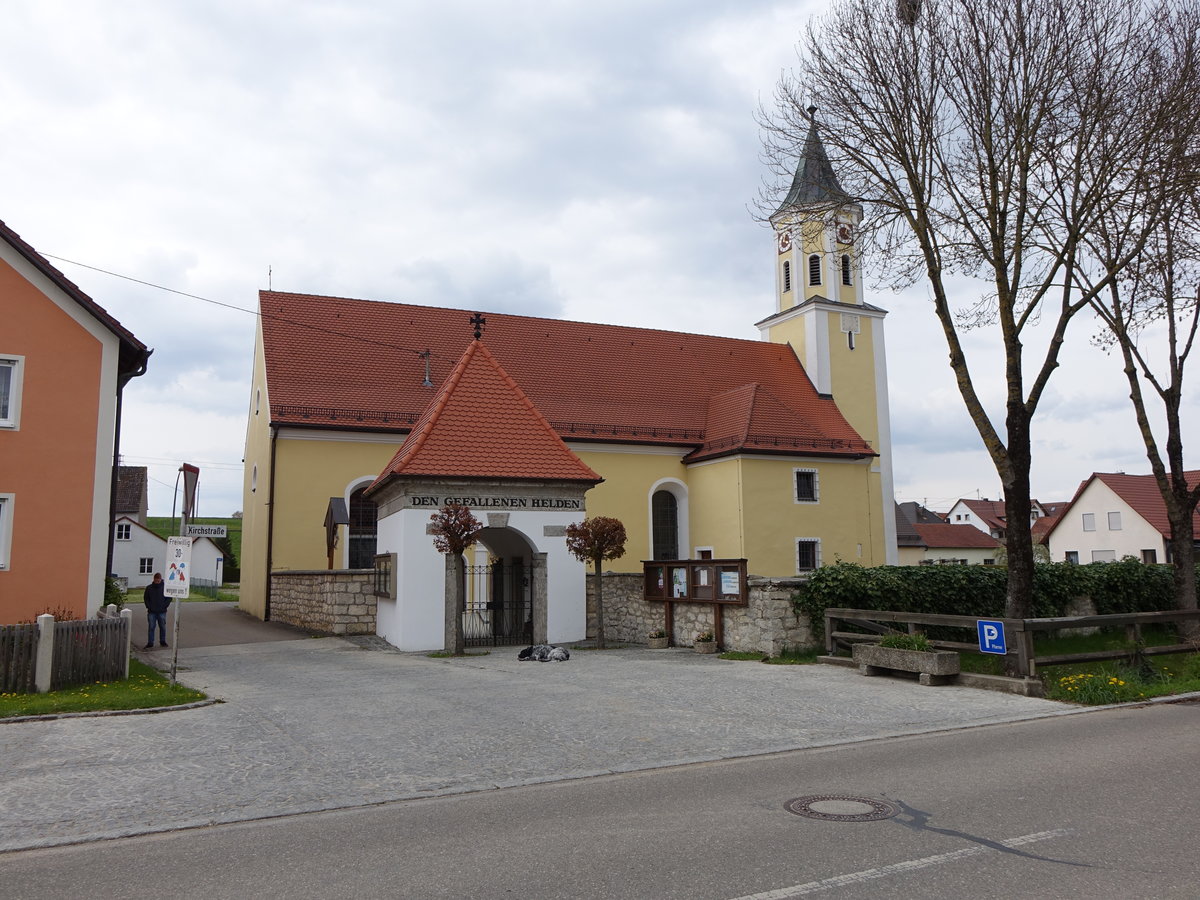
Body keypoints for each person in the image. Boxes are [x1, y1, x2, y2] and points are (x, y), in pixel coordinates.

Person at [143, 572, 171, 649]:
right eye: (156, 581)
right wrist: (149, 607)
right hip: (152, 611)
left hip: (162, 611)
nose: (157, 582)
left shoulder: (165, 588)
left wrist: (164, 606)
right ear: (154, 580)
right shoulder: (149, 588)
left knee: (162, 626)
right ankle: (150, 642)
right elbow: (146, 598)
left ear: (160, 579)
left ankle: (162, 641)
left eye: (158, 581)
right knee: (151, 627)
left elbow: (169, 598)